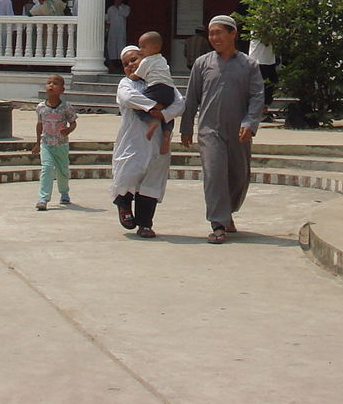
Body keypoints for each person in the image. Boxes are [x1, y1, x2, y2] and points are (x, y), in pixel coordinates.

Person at [180, 14, 265, 244]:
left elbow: (257, 97)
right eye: (211, 34)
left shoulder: (249, 65)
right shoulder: (202, 64)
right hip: (210, 130)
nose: (214, 38)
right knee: (214, 175)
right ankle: (218, 223)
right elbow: (191, 98)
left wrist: (250, 123)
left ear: (232, 34)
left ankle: (227, 212)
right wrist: (186, 127)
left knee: (239, 175)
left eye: (219, 33)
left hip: (239, 131)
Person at [111, 45, 185, 239]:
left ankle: (145, 224)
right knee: (127, 174)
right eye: (126, 64)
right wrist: (153, 107)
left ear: (145, 59)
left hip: (158, 141)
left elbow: (179, 102)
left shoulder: (161, 81)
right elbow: (129, 98)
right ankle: (123, 205)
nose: (130, 65)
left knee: (151, 182)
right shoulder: (125, 83)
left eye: (134, 60)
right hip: (132, 140)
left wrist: (163, 114)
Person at [33, 74, 77, 210]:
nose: (51, 85)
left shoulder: (66, 107)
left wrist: (69, 130)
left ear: (62, 90)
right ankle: (43, 198)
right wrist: (37, 142)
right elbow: (39, 124)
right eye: (49, 83)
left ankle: (64, 192)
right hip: (46, 143)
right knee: (46, 168)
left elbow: (73, 123)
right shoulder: (41, 107)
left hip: (61, 145)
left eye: (55, 83)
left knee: (62, 170)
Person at [133, 31, 176, 154]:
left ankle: (150, 121)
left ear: (156, 47)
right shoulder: (162, 59)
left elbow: (137, 76)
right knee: (168, 115)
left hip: (156, 88)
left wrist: (131, 75)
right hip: (169, 91)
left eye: (143, 47)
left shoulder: (147, 61)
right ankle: (167, 134)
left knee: (138, 105)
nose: (140, 50)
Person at [248, 34, 279, 121]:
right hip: (259, 60)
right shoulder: (259, 23)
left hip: (270, 60)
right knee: (260, 88)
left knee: (271, 86)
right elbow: (265, 41)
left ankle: (265, 110)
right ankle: (259, 112)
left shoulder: (272, 25)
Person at [104, 0, 130, 72]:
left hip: (121, 32)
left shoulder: (125, 8)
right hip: (112, 32)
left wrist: (119, 7)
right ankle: (113, 66)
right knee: (112, 48)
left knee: (120, 47)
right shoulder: (111, 9)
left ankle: (121, 66)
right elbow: (108, 21)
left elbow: (125, 14)